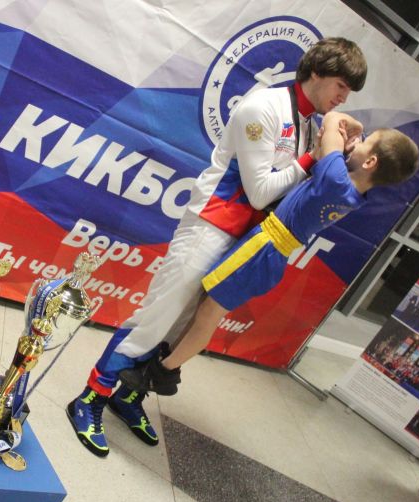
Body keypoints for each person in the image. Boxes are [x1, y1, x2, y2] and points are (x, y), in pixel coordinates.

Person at [67, 37, 368, 457]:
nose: (343, 97)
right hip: (212, 224)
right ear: (316, 72)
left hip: (245, 238)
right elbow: (260, 192)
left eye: (349, 91)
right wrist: (313, 160)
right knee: (157, 317)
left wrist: (328, 155)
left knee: (183, 326)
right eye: (341, 85)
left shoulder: (308, 123)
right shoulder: (263, 107)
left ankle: (128, 395)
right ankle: (90, 397)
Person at [122, 113, 419, 394]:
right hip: (270, 252)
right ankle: (166, 361)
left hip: (263, 249)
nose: (357, 140)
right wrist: (356, 143)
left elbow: (332, 120)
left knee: (208, 314)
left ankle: (162, 373)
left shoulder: (337, 179)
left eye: (365, 141)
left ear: (370, 161)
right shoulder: (356, 193)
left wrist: (351, 129)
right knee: (206, 308)